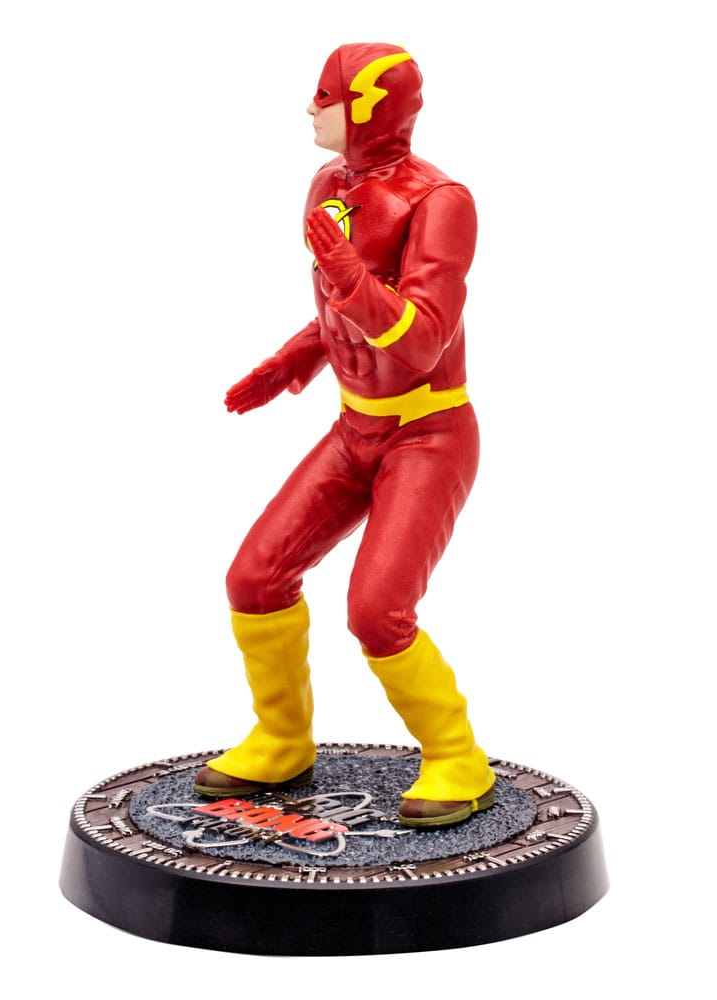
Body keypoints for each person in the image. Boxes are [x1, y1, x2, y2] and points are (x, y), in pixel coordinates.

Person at [193, 42, 496, 828]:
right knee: (255, 578)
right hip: (354, 426)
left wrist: (352, 278)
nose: (310, 107)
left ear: (367, 105)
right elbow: (336, 307)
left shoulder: (441, 200)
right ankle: (282, 737)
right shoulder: (330, 183)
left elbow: (421, 339)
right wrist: (293, 361)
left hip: (428, 435)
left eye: (325, 95)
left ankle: (456, 755)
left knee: (377, 609)